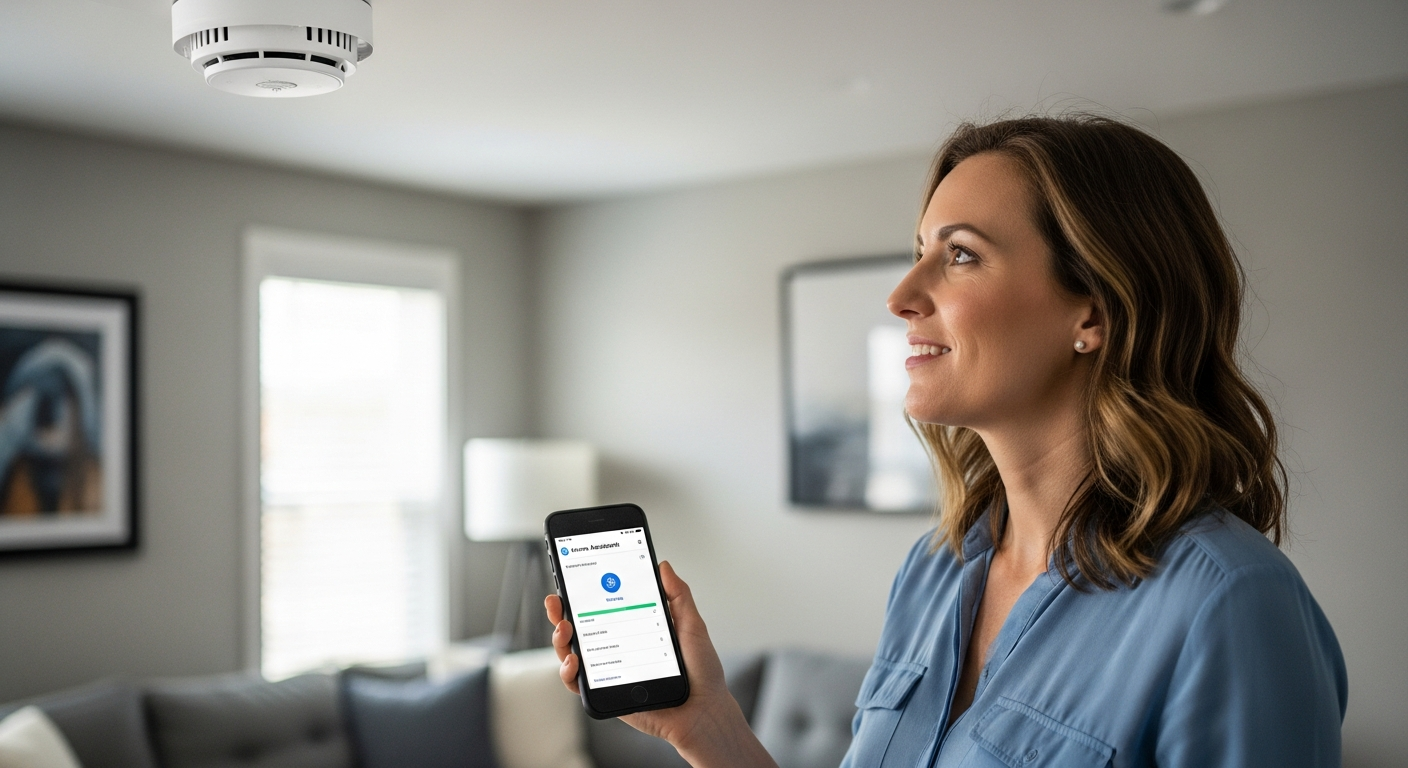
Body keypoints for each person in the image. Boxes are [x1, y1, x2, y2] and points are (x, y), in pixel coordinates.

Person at [545, 115, 1348, 767]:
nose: (901, 296)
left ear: (1095, 312)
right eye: (919, 252)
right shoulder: (936, 569)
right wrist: (707, 725)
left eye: (960, 255)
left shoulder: (1231, 604)